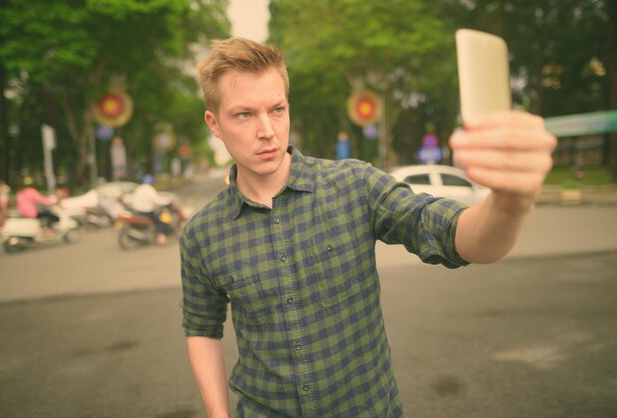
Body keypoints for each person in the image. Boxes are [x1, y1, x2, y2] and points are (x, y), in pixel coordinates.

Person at [179, 37, 556, 418]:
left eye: (277, 109)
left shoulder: (354, 184)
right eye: (244, 114)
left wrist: (509, 204)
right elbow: (202, 328)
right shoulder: (201, 234)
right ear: (215, 124)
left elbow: (456, 235)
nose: (267, 131)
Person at [130, 174, 171, 245]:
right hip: (146, 212)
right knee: (160, 221)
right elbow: (157, 200)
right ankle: (161, 236)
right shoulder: (150, 189)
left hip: (136, 211)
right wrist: (166, 201)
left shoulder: (139, 188)